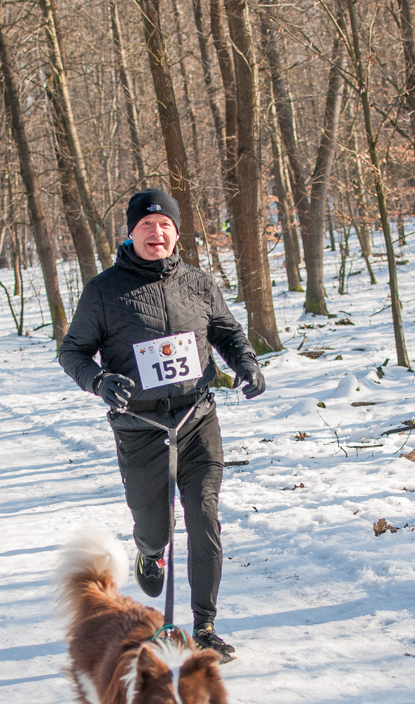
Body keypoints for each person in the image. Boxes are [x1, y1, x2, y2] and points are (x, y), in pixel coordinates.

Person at [58, 189, 266, 662]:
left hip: (197, 418)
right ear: (130, 234)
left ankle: (205, 625)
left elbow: (227, 332)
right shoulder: (103, 291)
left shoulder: (197, 282)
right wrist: (99, 380)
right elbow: (71, 351)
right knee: (156, 526)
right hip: (140, 427)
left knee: (204, 514)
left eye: (165, 226)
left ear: (176, 231)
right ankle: (150, 552)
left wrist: (248, 363)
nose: (157, 234)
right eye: (147, 227)